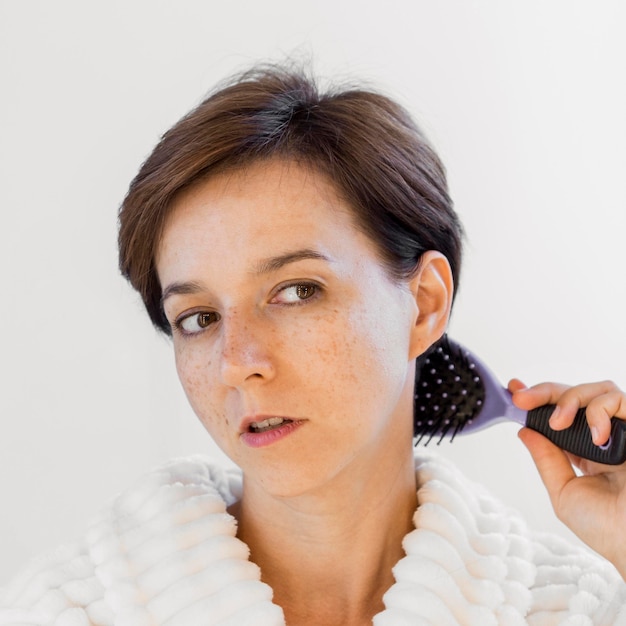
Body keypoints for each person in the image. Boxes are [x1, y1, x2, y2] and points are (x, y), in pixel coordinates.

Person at [2, 64, 626, 626]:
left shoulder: (580, 610)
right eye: (196, 318)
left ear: (425, 302)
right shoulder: (69, 611)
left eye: (297, 290)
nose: (238, 363)